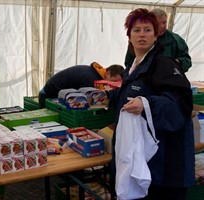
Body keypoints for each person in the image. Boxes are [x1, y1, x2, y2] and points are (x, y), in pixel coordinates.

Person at [108, 8, 195, 200]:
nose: (141, 35)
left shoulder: (164, 64)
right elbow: (134, 91)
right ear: (129, 37)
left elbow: (181, 102)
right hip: (146, 161)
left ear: (156, 36)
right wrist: (109, 96)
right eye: (136, 30)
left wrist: (148, 104)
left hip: (164, 164)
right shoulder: (134, 67)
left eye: (147, 30)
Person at [124, 8, 192, 73]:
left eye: (164, 22)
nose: (162, 26)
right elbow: (128, 63)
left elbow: (187, 61)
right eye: (159, 23)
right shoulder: (138, 40)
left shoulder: (176, 40)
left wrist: (176, 63)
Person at [38, 62, 124, 108]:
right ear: (108, 73)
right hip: (49, 96)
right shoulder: (91, 79)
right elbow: (92, 101)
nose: (113, 85)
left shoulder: (94, 72)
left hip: (52, 93)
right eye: (113, 81)